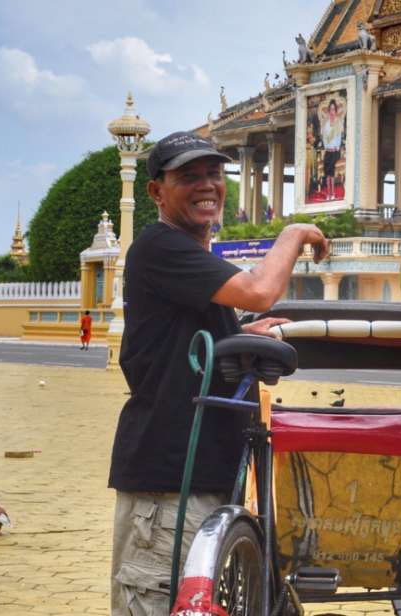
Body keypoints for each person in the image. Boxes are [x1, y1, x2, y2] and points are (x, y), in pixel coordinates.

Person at [108, 131, 329, 616]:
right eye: (189, 176)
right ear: (156, 192)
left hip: (204, 473)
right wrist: (292, 234)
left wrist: (243, 329)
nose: (207, 185)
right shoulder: (161, 246)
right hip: (168, 482)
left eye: (213, 174)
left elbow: (198, 336)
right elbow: (259, 290)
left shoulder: (192, 259)